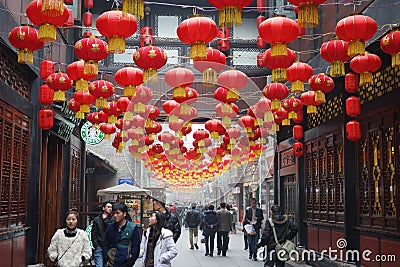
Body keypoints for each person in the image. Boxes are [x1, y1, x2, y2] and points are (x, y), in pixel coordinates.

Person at [102, 202, 141, 267]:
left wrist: (130, 262)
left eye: (117, 213)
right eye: (114, 213)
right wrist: (106, 260)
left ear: (124, 214)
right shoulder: (110, 227)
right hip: (111, 262)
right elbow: (105, 244)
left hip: (126, 262)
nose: (115, 215)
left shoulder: (132, 228)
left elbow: (136, 247)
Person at [92, 201, 114, 267]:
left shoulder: (113, 219)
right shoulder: (97, 219)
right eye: (108, 207)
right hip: (99, 246)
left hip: (109, 247)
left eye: (111, 207)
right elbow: (93, 233)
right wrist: (96, 245)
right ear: (103, 208)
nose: (110, 208)